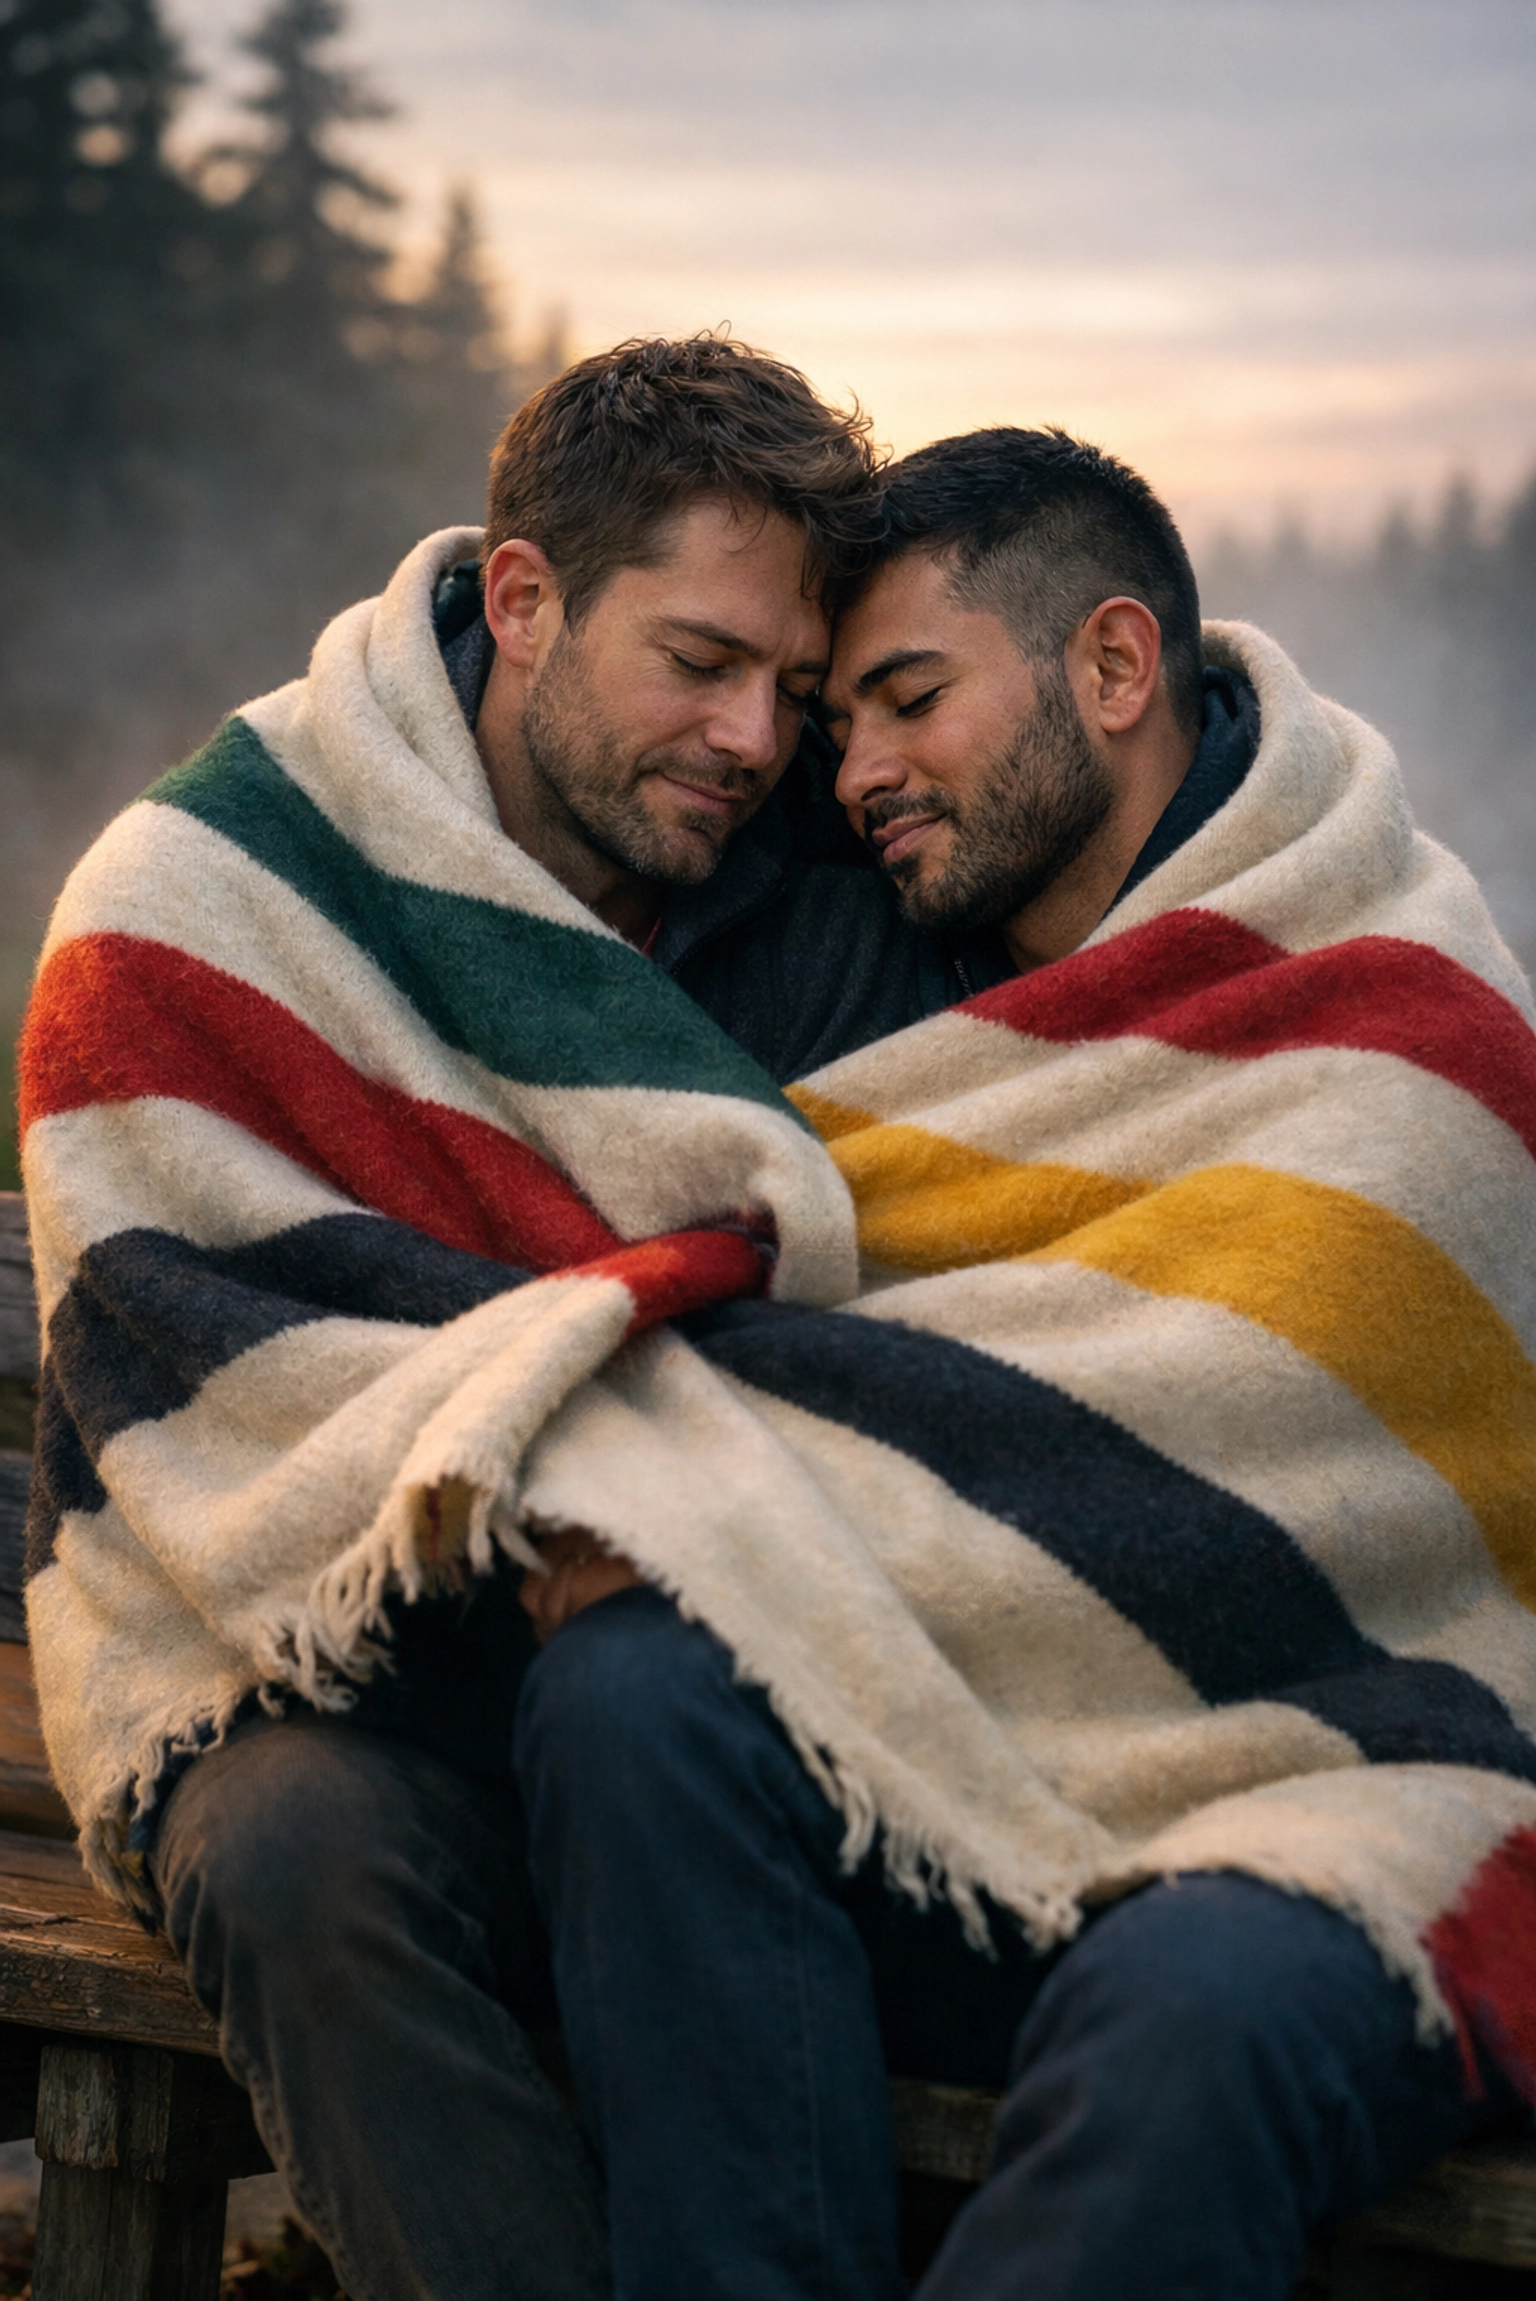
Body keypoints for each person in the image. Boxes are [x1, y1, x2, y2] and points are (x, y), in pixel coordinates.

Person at [508, 430, 1536, 2298]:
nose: (862, 770)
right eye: (842, 728)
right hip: (955, 1737)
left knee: (1196, 2010)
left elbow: (1306, 1444)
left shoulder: (1398, 1016)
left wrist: (736, 1477)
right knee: (634, 1698)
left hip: (1328, 1775)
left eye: (911, 702)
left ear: (1116, 669)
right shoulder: (872, 974)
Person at [19, 333, 895, 2301]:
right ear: (522, 599)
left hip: (706, 1699)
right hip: (321, 1668)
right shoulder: (211, 901)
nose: (758, 740)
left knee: (666, 1755)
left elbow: (906, 1302)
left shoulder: (825, 899)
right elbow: (206, 1352)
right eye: (700, 661)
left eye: (795, 690)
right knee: (284, 1862)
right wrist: (557, 1491)